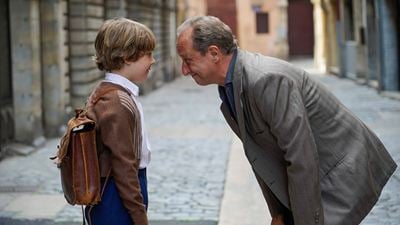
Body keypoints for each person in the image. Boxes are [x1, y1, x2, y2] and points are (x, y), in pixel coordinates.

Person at [176, 16, 397, 225]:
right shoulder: (230, 87)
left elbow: (301, 158)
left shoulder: (266, 79)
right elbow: (262, 156)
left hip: (343, 173)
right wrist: (279, 214)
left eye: (188, 60)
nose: (184, 70)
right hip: (316, 180)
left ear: (214, 53)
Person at [84, 18, 155, 225]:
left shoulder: (110, 92)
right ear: (126, 57)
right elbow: (124, 166)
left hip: (117, 189)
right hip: (116, 193)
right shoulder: (117, 101)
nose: (153, 60)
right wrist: (139, 215)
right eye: (148, 54)